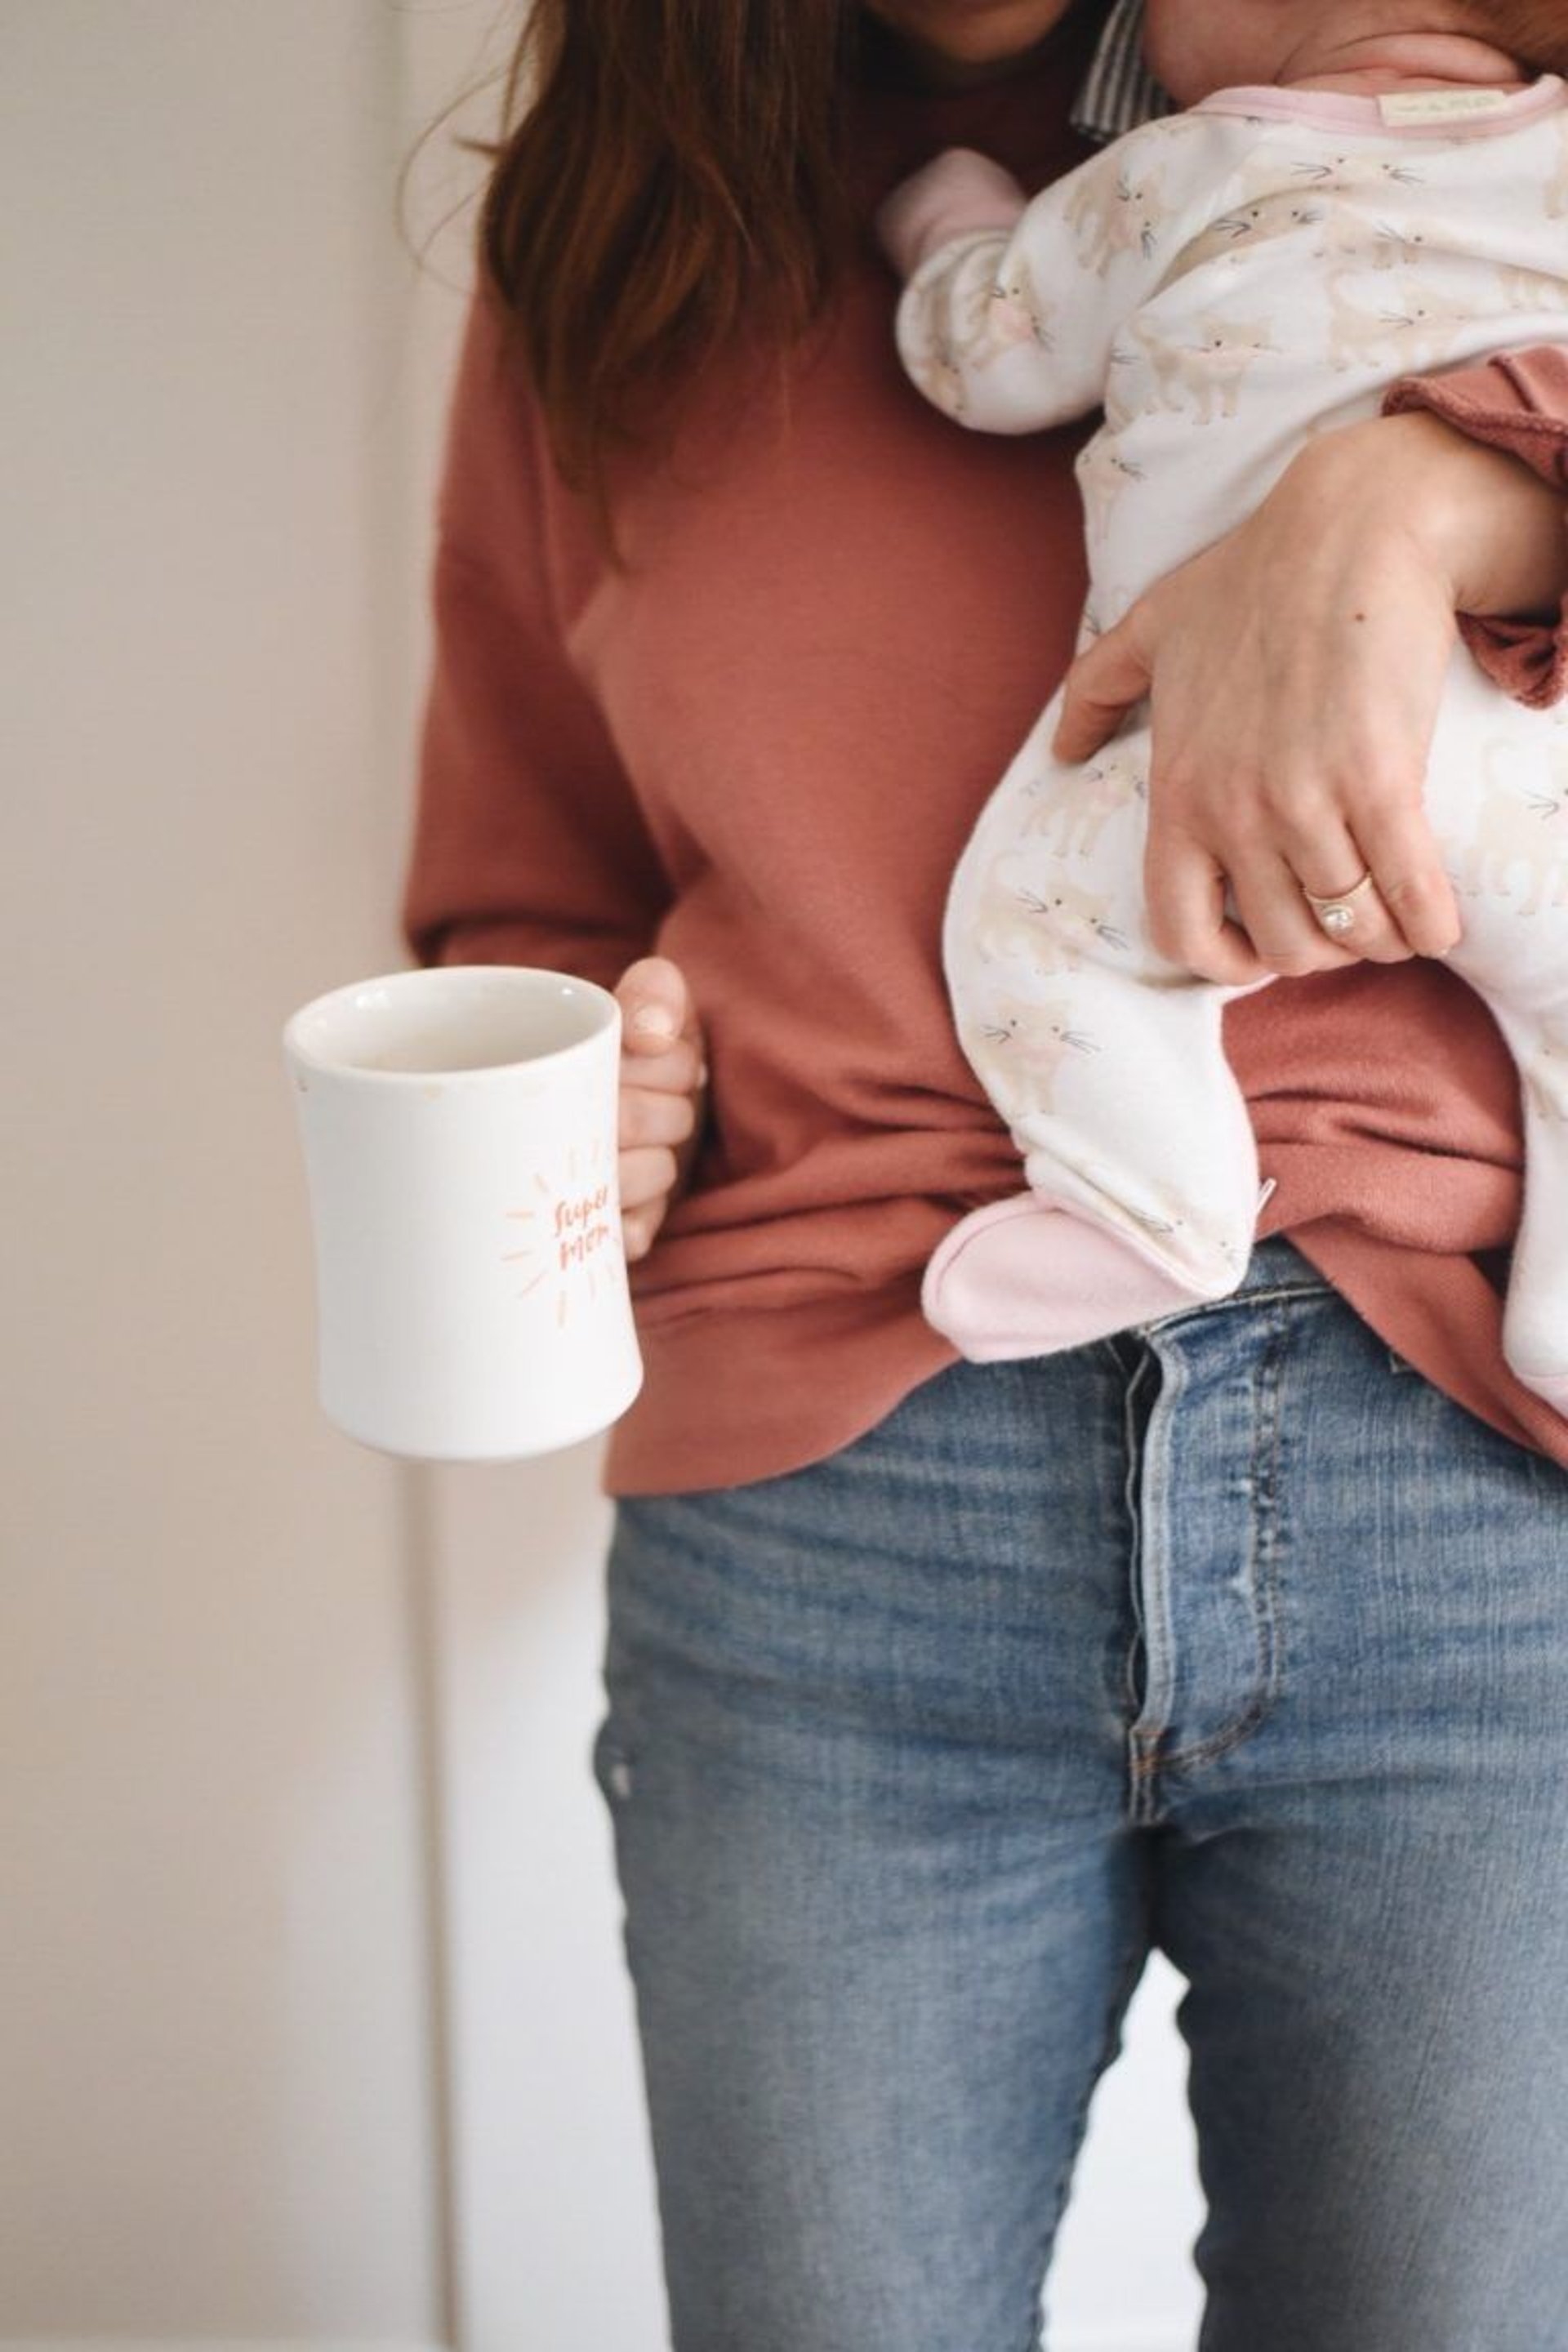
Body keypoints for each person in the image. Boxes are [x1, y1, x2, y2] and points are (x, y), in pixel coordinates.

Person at [403, 1, 1568, 2344]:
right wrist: (588, 1072)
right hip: (836, 1547)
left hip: (1467, 1504)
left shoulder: (1448, 101)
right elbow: (517, 900)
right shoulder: (623, 257)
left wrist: (1421, 488)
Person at [878, 0, 1568, 1401]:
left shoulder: (1182, 166)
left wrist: (951, 223)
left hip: (1183, 769)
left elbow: (985, 363)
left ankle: (1154, 1205)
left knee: (1039, 929)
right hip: (1528, 744)